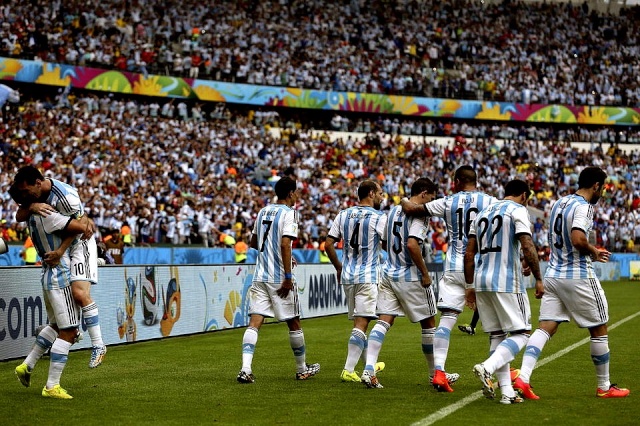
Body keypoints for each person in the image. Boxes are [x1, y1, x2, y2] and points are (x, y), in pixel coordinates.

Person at [515, 166, 630, 399]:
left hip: (554, 275)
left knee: (546, 326)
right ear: (595, 186)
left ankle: (523, 378)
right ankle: (604, 386)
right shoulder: (584, 207)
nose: (603, 194)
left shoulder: (559, 203)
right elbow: (578, 239)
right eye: (603, 188)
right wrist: (594, 251)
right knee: (599, 328)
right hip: (577, 276)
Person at [401, 165, 497, 392]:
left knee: (447, 319)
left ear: (456, 181)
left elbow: (413, 209)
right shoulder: (491, 201)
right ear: (476, 181)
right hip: (480, 267)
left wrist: (404, 199)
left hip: (454, 265)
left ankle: (439, 372)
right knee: (496, 325)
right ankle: (497, 370)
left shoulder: (447, 202)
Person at [360, 177, 459, 390]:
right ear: (423, 194)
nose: (430, 203)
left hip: (389, 272)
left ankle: (368, 369)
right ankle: (435, 374)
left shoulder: (393, 211)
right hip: (410, 276)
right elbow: (413, 244)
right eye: (430, 198)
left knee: (384, 320)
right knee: (429, 324)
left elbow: (385, 241)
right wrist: (424, 273)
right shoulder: (420, 216)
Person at [12, 165, 107, 368]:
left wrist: (60, 252)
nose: (24, 195)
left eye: (26, 191)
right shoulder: (34, 196)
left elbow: (81, 226)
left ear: (38, 183)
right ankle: (29, 365)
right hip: (61, 255)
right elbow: (18, 216)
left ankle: (99, 345)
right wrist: (31, 207)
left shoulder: (65, 196)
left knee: (79, 294)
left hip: (80, 244)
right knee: (60, 321)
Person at [464, 179, 544, 404]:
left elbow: (469, 253)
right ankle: (487, 367)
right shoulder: (517, 210)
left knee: (497, 335)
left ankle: (507, 393)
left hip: (482, 280)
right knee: (522, 333)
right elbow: (526, 243)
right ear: (524, 195)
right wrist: (538, 277)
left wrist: (470, 286)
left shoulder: (482, 214)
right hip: (506, 281)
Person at [11, 185, 93, 399]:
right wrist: (84, 218)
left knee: (56, 326)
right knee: (69, 331)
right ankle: (51, 386)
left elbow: (20, 213)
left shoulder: (31, 217)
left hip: (48, 275)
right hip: (61, 275)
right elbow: (80, 226)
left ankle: (26, 366)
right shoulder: (49, 216)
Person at [237, 176, 320, 383]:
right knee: (294, 322)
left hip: (260, 276)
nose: (297, 196)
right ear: (291, 193)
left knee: (255, 322)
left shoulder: (263, 211)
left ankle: (245, 369)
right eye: (297, 192)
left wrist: (272, 253)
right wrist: (288, 276)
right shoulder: (290, 213)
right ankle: (302, 369)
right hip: (278, 277)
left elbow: (254, 242)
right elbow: (285, 244)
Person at [325, 179, 387, 382]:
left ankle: (370, 363)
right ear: (370, 193)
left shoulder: (343, 214)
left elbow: (328, 244)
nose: (381, 196)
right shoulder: (379, 217)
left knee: (361, 320)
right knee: (362, 323)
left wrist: (338, 266)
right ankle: (348, 369)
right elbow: (387, 244)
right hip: (368, 276)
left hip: (348, 276)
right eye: (379, 193)